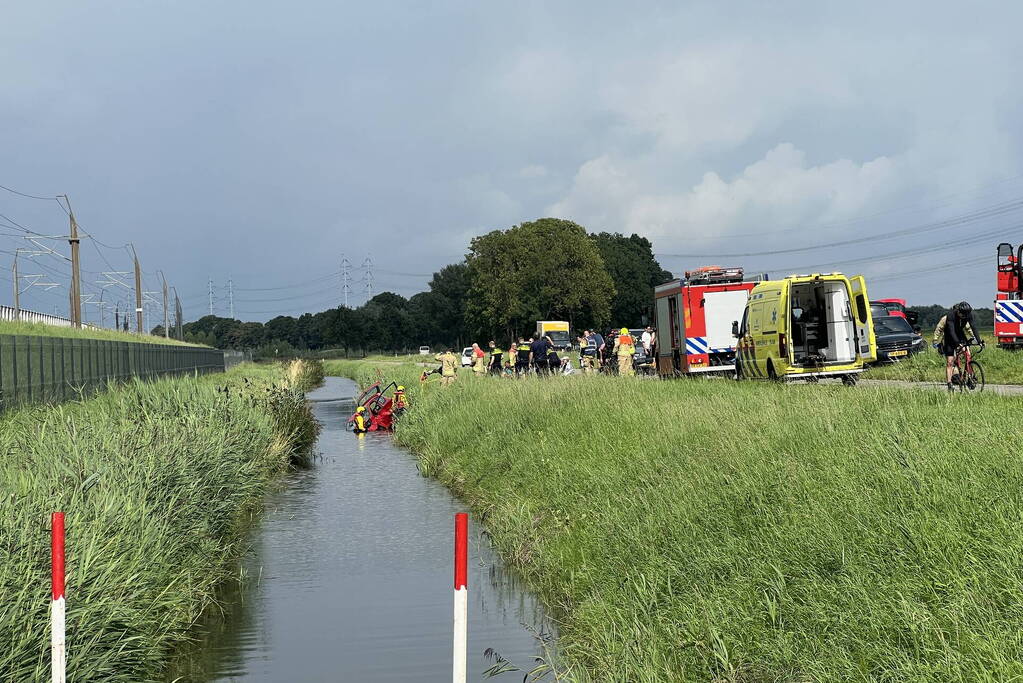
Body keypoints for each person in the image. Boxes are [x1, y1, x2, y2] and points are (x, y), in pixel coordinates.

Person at [933, 301, 983, 391]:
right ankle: (949, 383)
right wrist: (935, 340)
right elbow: (949, 331)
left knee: (967, 352)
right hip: (949, 337)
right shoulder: (950, 315)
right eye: (963, 315)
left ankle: (969, 376)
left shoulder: (968, 315)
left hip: (960, 334)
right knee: (950, 361)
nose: (964, 317)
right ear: (958, 311)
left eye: (966, 315)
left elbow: (972, 327)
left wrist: (979, 341)